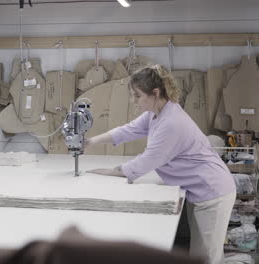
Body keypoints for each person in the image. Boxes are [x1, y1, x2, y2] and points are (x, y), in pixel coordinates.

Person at [86, 65, 236, 264]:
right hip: (200, 190)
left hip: (213, 192)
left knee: (206, 258)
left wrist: (107, 171)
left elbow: (146, 161)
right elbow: (127, 130)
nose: (133, 101)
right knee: (200, 254)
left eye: (137, 96)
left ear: (155, 93)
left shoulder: (171, 122)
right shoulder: (156, 113)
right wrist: (90, 142)